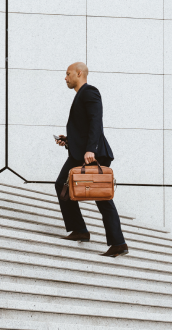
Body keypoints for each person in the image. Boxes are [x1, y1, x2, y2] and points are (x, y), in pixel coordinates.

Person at [54, 62, 129, 258]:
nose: (65, 78)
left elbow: (96, 121)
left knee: (102, 197)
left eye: (68, 74)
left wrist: (90, 149)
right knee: (62, 185)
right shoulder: (81, 95)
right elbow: (85, 127)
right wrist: (69, 140)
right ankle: (79, 229)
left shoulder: (90, 92)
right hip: (80, 153)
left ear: (79, 73)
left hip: (92, 154)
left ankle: (118, 243)